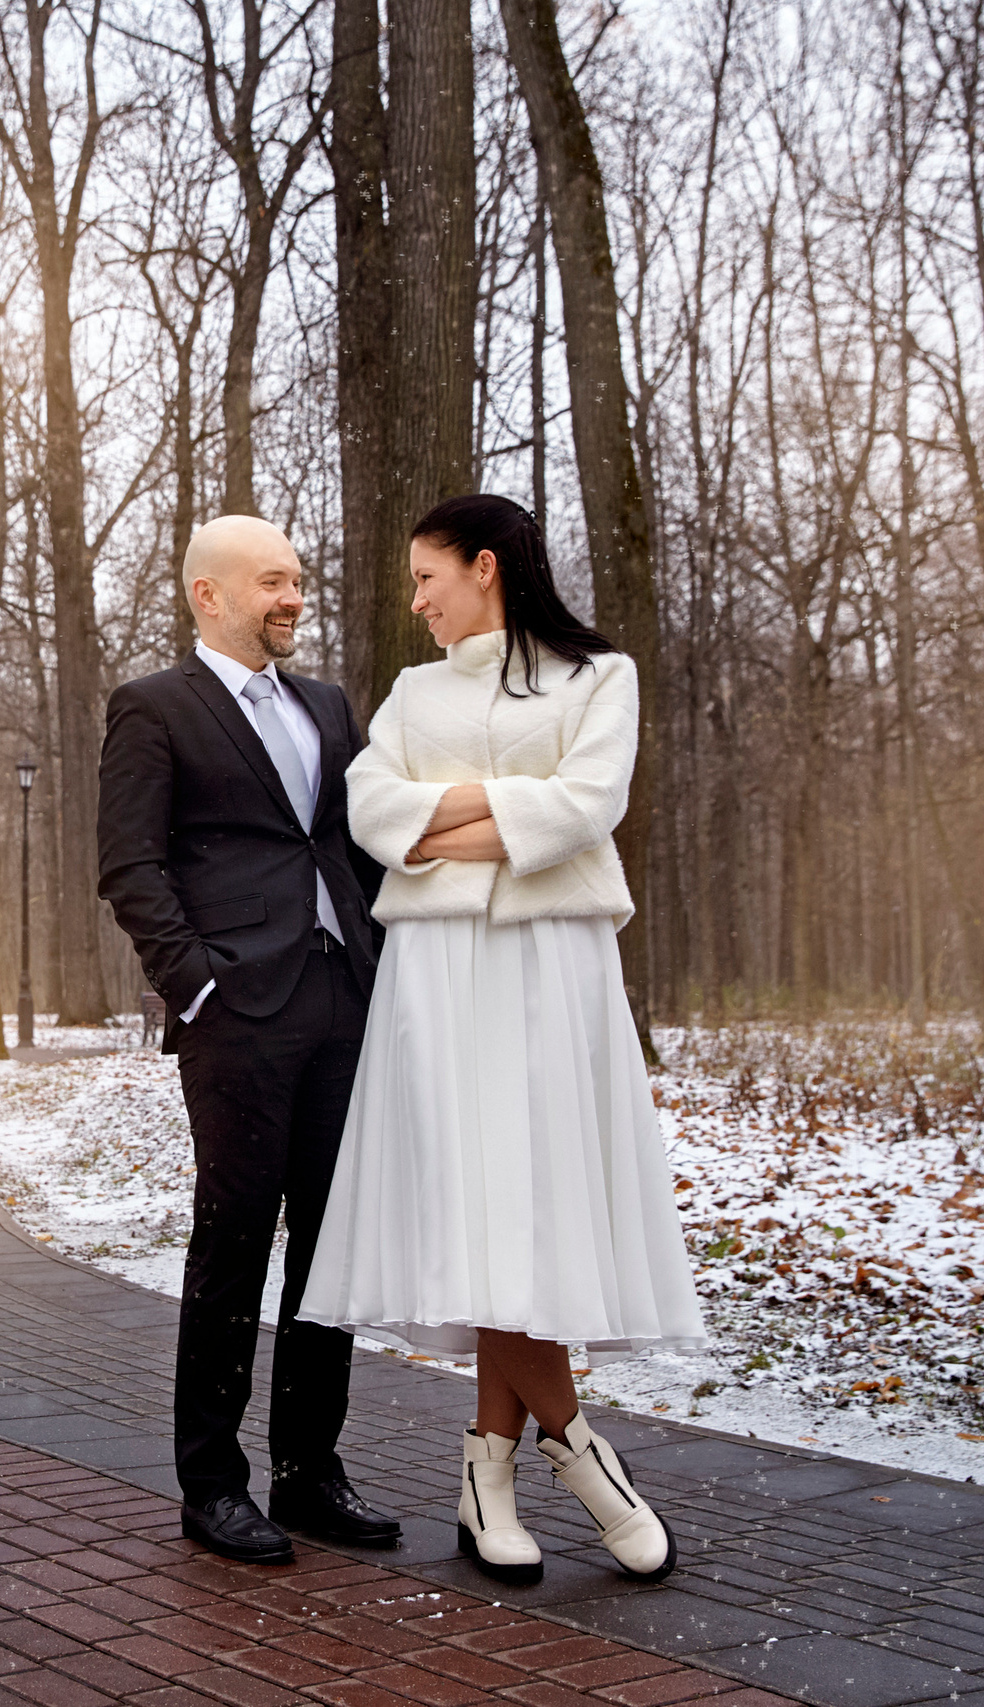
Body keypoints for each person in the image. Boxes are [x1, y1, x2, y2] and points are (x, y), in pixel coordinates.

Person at [300, 494, 705, 1585]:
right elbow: (371, 807)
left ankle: (490, 1473)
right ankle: (577, 1456)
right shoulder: (414, 691)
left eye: (427, 578)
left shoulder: (596, 678)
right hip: (436, 978)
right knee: (479, 1208)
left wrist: (449, 819)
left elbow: (588, 803)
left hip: (550, 969)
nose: (416, 602)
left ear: (483, 568)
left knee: (528, 1207)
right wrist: (502, 815)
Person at [97, 515, 400, 1565]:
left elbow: (357, 847)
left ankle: (309, 1473)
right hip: (237, 1018)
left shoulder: (326, 706)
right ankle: (212, 1486)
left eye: (298, 580)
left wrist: (377, 961)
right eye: (272, 581)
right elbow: (130, 866)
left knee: (332, 1243)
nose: (293, 597)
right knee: (232, 1244)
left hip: (340, 1006)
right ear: (208, 595)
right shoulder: (153, 709)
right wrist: (196, 987)